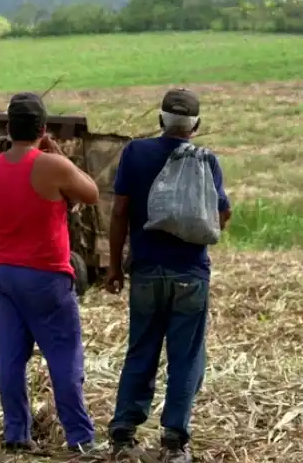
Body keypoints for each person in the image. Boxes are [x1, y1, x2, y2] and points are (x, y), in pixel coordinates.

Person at [0, 92, 100, 453]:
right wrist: (57, 153)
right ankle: (80, 438)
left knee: (10, 357)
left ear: (8, 129)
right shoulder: (54, 166)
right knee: (64, 356)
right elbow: (92, 193)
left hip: (5, 274)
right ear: (43, 128)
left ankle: (16, 434)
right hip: (48, 276)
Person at [105, 88, 232, 462]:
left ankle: (123, 434)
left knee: (141, 350)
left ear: (160, 120)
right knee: (186, 358)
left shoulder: (136, 153)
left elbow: (118, 212)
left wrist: (115, 264)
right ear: (197, 126)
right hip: (191, 275)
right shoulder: (206, 160)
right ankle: (174, 442)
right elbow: (222, 214)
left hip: (145, 273)